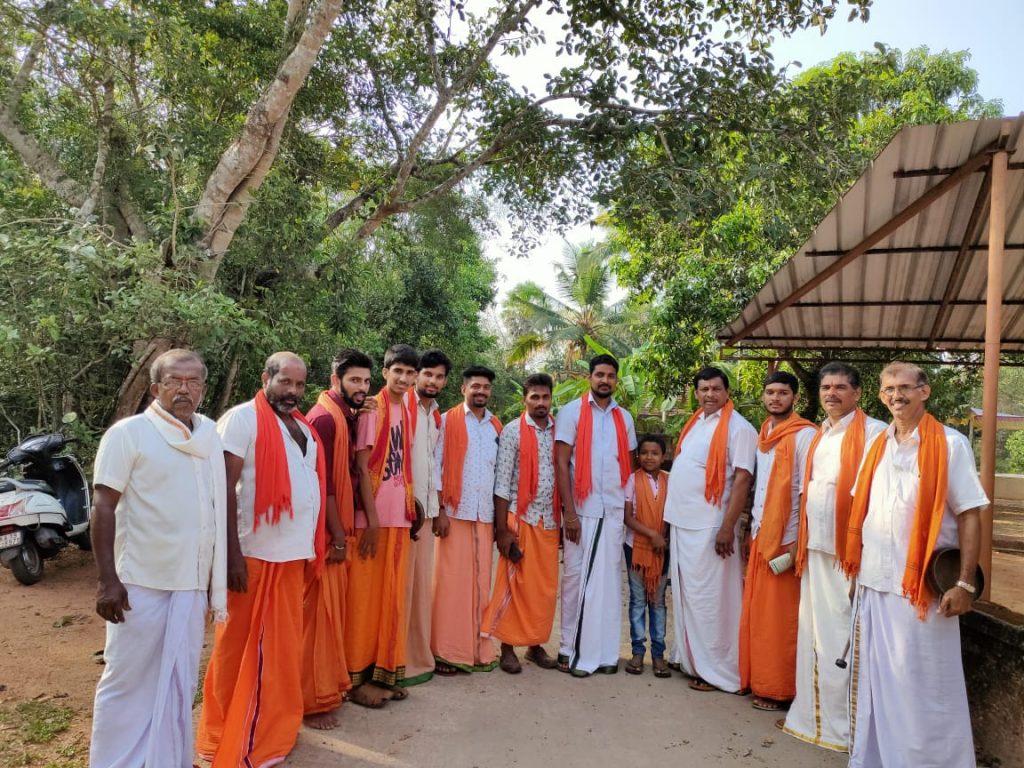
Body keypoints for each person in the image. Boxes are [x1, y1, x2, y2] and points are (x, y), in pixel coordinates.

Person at [844, 362, 986, 768]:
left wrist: (965, 584)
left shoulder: (950, 445)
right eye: (889, 389)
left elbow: (970, 514)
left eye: (905, 387)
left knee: (924, 687)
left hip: (922, 589)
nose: (896, 395)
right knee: (879, 684)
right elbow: (865, 511)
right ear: (881, 395)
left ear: (924, 392)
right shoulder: (877, 445)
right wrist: (857, 575)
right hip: (875, 580)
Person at [89, 349, 226, 768]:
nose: (185, 389)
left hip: (190, 582)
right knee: (127, 680)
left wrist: (214, 576)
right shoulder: (129, 434)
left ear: (203, 388)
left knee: (179, 681)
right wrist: (108, 580)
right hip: (140, 583)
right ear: (155, 388)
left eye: (193, 381)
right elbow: (103, 506)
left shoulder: (208, 435)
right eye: (174, 381)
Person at [197, 352, 326, 767]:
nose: (293, 392)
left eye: (300, 385)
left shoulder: (301, 426)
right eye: (285, 382)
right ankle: (222, 735)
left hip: (292, 556)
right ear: (265, 378)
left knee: (281, 652)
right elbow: (222, 488)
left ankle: (270, 730)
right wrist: (230, 555)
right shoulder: (241, 419)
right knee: (236, 651)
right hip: (252, 556)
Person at [781, 362, 885, 750]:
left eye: (840, 387)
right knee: (814, 636)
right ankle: (814, 720)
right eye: (826, 387)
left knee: (845, 638)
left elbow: (876, 496)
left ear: (858, 393)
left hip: (851, 555)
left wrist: (865, 553)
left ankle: (848, 729)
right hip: (816, 549)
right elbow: (807, 491)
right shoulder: (819, 434)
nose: (831, 393)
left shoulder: (875, 433)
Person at [665, 367, 757, 694]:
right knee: (688, 597)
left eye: (716, 389)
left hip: (712, 526)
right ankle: (690, 658)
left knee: (712, 600)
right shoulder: (696, 423)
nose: (709, 394)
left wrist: (727, 527)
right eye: (704, 389)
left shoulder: (739, 428)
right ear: (697, 393)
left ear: (727, 391)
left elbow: (743, 479)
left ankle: (719, 670)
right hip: (683, 523)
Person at [301, 348, 373, 728]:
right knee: (318, 620)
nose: (362, 387)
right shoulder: (325, 420)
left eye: (366, 381)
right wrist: (338, 538)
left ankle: (326, 689)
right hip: (327, 534)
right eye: (354, 380)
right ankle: (312, 702)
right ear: (335, 380)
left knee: (330, 619)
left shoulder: (345, 415)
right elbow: (324, 484)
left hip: (336, 528)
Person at [555, 354, 637, 676]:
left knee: (608, 584)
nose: (605, 380)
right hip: (582, 511)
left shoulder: (624, 418)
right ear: (589, 377)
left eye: (610, 376)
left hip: (613, 512)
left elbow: (628, 466)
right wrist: (569, 514)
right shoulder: (571, 412)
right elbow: (562, 463)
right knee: (576, 581)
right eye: (599, 374)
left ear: (616, 380)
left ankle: (604, 654)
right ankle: (569, 649)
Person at [738, 370, 815, 711]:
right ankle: (759, 679)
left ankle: (780, 689)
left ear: (795, 397)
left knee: (781, 620)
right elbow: (760, 488)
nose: (775, 398)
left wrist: (798, 541)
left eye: (783, 393)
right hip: (761, 534)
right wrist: (748, 529)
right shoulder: (764, 433)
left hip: (786, 540)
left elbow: (807, 492)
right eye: (770, 392)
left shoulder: (805, 435)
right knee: (758, 615)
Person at [347, 344, 419, 705]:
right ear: (386, 372)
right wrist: (372, 522)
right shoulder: (371, 409)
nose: (403, 379)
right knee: (363, 601)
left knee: (390, 600)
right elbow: (361, 468)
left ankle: (383, 672)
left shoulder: (406, 409)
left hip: (398, 518)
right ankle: (354, 680)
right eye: (398, 371)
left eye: (409, 373)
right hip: (371, 521)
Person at [482, 373, 561, 674]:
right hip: (521, 516)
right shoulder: (513, 431)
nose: (541, 402)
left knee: (543, 589)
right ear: (524, 399)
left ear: (551, 398)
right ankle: (507, 646)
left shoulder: (559, 431)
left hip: (549, 519)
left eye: (545, 397)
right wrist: (502, 531)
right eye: (535, 397)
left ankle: (535, 645)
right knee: (513, 584)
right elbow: (502, 484)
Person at [432, 365, 503, 674]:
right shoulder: (447, 421)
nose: (481, 391)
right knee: (449, 586)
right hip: (454, 513)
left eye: (485, 387)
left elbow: (499, 474)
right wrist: (440, 511)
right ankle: (446, 651)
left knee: (480, 585)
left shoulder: (496, 427)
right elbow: (436, 467)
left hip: (484, 516)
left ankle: (476, 649)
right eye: (475, 386)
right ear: (463, 389)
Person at [401, 348, 449, 686]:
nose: (433, 381)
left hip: (427, 512)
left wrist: (439, 508)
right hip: (404, 512)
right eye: (428, 374)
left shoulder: (434, 415)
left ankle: (417, 656)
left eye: (439, 376)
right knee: (401, 588)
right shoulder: (402, 407)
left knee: (420, 589)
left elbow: (435, 465)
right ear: (416, 375)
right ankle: (395, 658)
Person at [623, 434, 671, 678]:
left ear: (663, 456)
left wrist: (663, 538)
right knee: (638, 600)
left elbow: (674, 512)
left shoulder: (670, 480)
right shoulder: (632, 480)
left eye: (654, 453)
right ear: (638, 456)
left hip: (662, 549)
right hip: (636, 548)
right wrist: (652, 534)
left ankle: (659, 654)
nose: (649, 457)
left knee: (658, 601)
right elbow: (627, 517)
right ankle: (638, 651)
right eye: (644, 453)